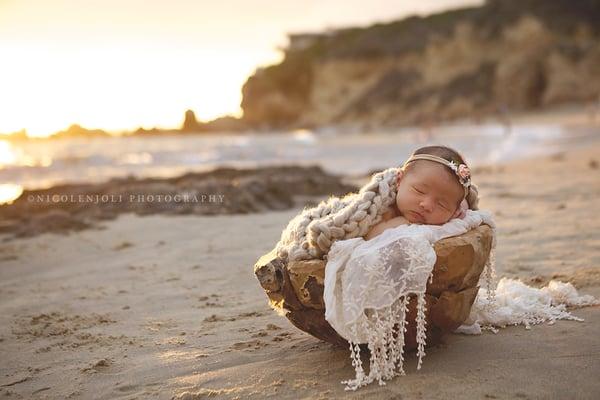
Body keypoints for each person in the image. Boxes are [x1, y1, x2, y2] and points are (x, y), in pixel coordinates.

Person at [365, 145, 478, 241]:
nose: (427, 205)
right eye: (419, 191)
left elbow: (463, 204)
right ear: (399, 180)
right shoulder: (383, 207)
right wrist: (404, 222)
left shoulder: (457, 210)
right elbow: (372, 236)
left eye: (441, 204)